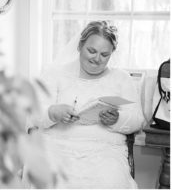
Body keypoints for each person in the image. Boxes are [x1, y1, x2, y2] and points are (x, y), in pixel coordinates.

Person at [27, 21, 145, 188]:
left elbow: (137, 120)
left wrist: (117, 119)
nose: (97, 59)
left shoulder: (122, 79)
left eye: (105, 55)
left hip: (105, 151)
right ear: (80, 46)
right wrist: (53, 113)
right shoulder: (54, 74)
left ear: (112, 54)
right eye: (92, 51)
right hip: (58, 147)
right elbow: (33, 117)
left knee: (108, 182)